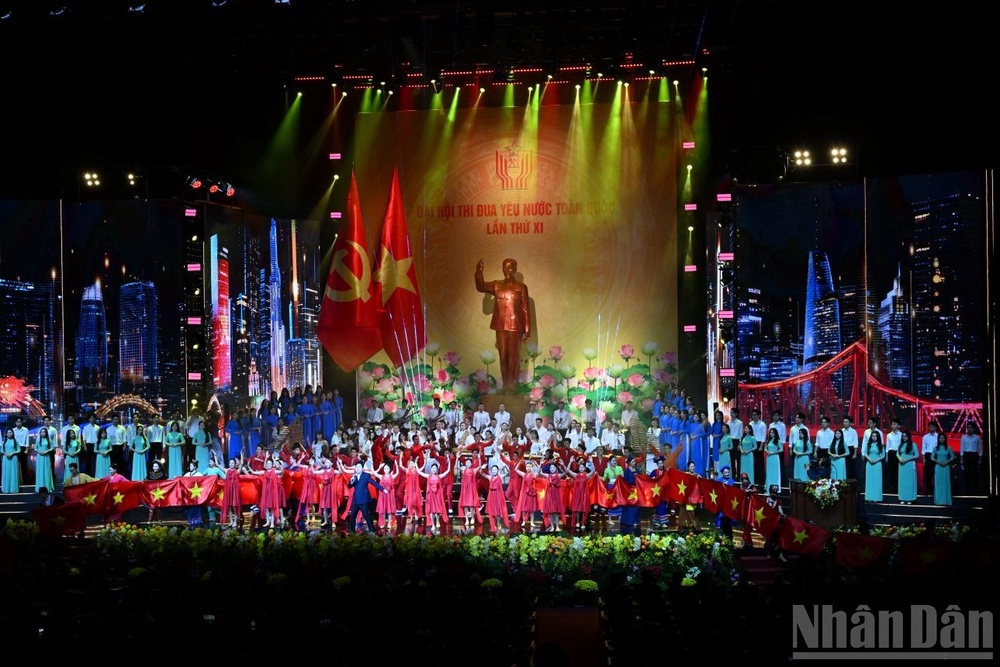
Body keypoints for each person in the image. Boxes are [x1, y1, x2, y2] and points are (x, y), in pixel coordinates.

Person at [474, 257, 530, 393]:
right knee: (503, 355)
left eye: (510, 267)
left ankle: (512, 385)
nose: (507, 270)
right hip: (500, 325)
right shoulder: (497, 285)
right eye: (505, 267)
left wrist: (527, 329)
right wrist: (479, 272)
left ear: (515, 269)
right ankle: (506, 384)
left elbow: (525, 310)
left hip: (515, 326)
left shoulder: (521, 287)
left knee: (513, 356)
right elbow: (481, 287)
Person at [416, 459, 450, 533]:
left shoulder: (439, 476)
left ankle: (437, 520)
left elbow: (448, 471)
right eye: (432, 468)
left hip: (437, 495)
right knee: (431, 510)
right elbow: (418, 471)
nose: (434, 469)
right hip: (430, 495)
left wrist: (448, 461)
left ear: (437, 469)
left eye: (435, 468)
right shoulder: (428, 476)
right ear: (431, 469)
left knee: (437, 510)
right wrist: (416, 462)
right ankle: (433, 524)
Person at [480, 463, 510, 534]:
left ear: (497, 470)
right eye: (493, 470)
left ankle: (498, 522)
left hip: (498, 495)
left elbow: (508, 472)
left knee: (498, 510)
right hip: (491, 495)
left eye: (495, 470)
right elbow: (481, 473)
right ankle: (493, 524)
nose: (494, 471)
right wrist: (482, 468)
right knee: (492, 510)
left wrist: (505, 466)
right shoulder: (490, 477)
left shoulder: (500, 476)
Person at [931, 432, 956, 506]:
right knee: (938, 484)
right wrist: (939, 462)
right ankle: (938, 501)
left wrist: (946, 462)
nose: (941, 439)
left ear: (945, 439)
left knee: (946, 483)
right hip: (938, 467)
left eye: (943, 438)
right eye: (940, 438)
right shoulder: (935, 448)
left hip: (946, 467)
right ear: (938, 439)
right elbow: (932, 457)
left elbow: (952, 457)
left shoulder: (948, 448)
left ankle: (946, 500)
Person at [959, 422, 983, 494]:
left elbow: (980, 449)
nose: (969, 429)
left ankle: (975, 490)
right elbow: (962, 448)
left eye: (971, 427)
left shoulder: (977, 438)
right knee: (966, 473)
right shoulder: (963, 437)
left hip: (974, 455)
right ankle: (967, 490)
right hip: (966, 455)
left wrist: (980, 459)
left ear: (974, 429)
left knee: (975, 473)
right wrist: (961, 458)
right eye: (968, 427)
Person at [896, 430, 919, 505]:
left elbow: (917, 455)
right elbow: (897, 453)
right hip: (902, 465)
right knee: (902, 482)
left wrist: (907, 459)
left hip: (910, 465)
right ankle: (902, 498)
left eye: (905, 436)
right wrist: (900, 459)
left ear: (908, 437)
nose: (904, 438)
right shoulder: (901, 445)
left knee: (910, 481)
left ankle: (910, 498)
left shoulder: (913, 444)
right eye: (903, 436)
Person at [33, 427, 56, 493]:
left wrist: (46, 451)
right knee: (40, 471)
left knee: (47, 470)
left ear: (46, 433)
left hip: (46, 457)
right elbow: (35, 448)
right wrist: (39, 451)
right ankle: (40, 487)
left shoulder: (49, 440)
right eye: (41, 432)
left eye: (44, 432)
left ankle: (48, 486)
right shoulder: (38, 440)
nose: (42, 433)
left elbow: (52, 448)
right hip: (40, 457)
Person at [863, 430, 884, 502]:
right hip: (869, 464)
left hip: (877, 464)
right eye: (873, 436)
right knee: (869, 480)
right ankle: (869, 497)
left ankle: (877, 498)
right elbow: (865, 453)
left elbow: (883, 455)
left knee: (877, 480)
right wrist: (870, 459)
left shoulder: (880, 445)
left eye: (875, 436)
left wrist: (876, 460)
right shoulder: (868, 445)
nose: (874, 437)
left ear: (878, 437)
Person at [920, 422, 939, 496]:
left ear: (936, 428)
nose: (930, 428)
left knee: (935, 474)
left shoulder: (938, 436)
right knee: (927, 475)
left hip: (936, 456)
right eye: (930, 426)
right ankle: (928, 491)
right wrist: (924, 459)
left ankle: (936, 491)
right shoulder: (925, 437)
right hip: (928, 456)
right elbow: (923, 449)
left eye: (932, 426)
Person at [2, 427, 21, 493]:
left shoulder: (15, 442)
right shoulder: (4, 442)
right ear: (6, 434)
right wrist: (5, 453)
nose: (9, 434)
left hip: (13, 458)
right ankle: (6, 489)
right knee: (6, 473)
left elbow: (19, 450)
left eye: (10, 432)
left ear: (13, 433)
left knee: (13, 473)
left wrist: (12, 453)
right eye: (8, 432)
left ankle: (13, 489)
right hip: (5, 459)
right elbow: (1, 450)